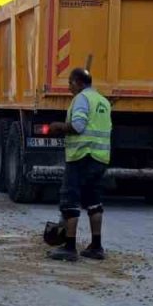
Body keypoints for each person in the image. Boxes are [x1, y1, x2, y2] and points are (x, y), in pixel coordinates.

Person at [46, 68, 112, 262]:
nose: (68, 88)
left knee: (70, 200)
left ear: (78, 82)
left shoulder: (82, 99)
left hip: (81, 156)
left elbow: (78, 126)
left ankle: (69, 247)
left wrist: (58, 127)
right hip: (99, 158)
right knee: (93, 201)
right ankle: (96, 247)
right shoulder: (103, 101)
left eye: (70, 83)